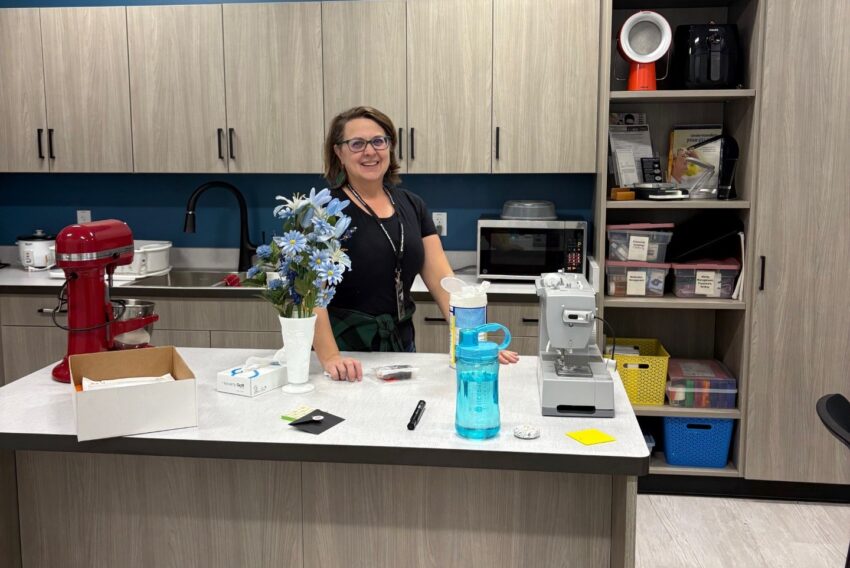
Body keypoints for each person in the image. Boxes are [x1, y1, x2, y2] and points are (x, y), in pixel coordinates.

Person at [313, 106, 519, 381]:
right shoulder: (323, 211)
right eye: (357, 144)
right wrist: (330, 357)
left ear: (390, 146)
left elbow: (444, 282)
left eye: (378, 141)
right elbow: (309, 296)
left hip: (401, 346)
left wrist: (475, 341)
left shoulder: (412, 205)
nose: (370, 151)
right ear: (339, 152)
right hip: (347, 354)